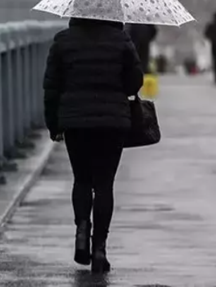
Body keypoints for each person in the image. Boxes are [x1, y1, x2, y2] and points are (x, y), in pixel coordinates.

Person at [43, 17, 144, 273]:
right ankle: (99, 250)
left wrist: (53, 125)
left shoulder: (63, 41)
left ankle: (81, 230)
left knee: (82, 180)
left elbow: (52, 87)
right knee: (104, 184)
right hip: (113, 122)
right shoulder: (121, 40)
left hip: (76, 121)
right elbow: (135, 82)